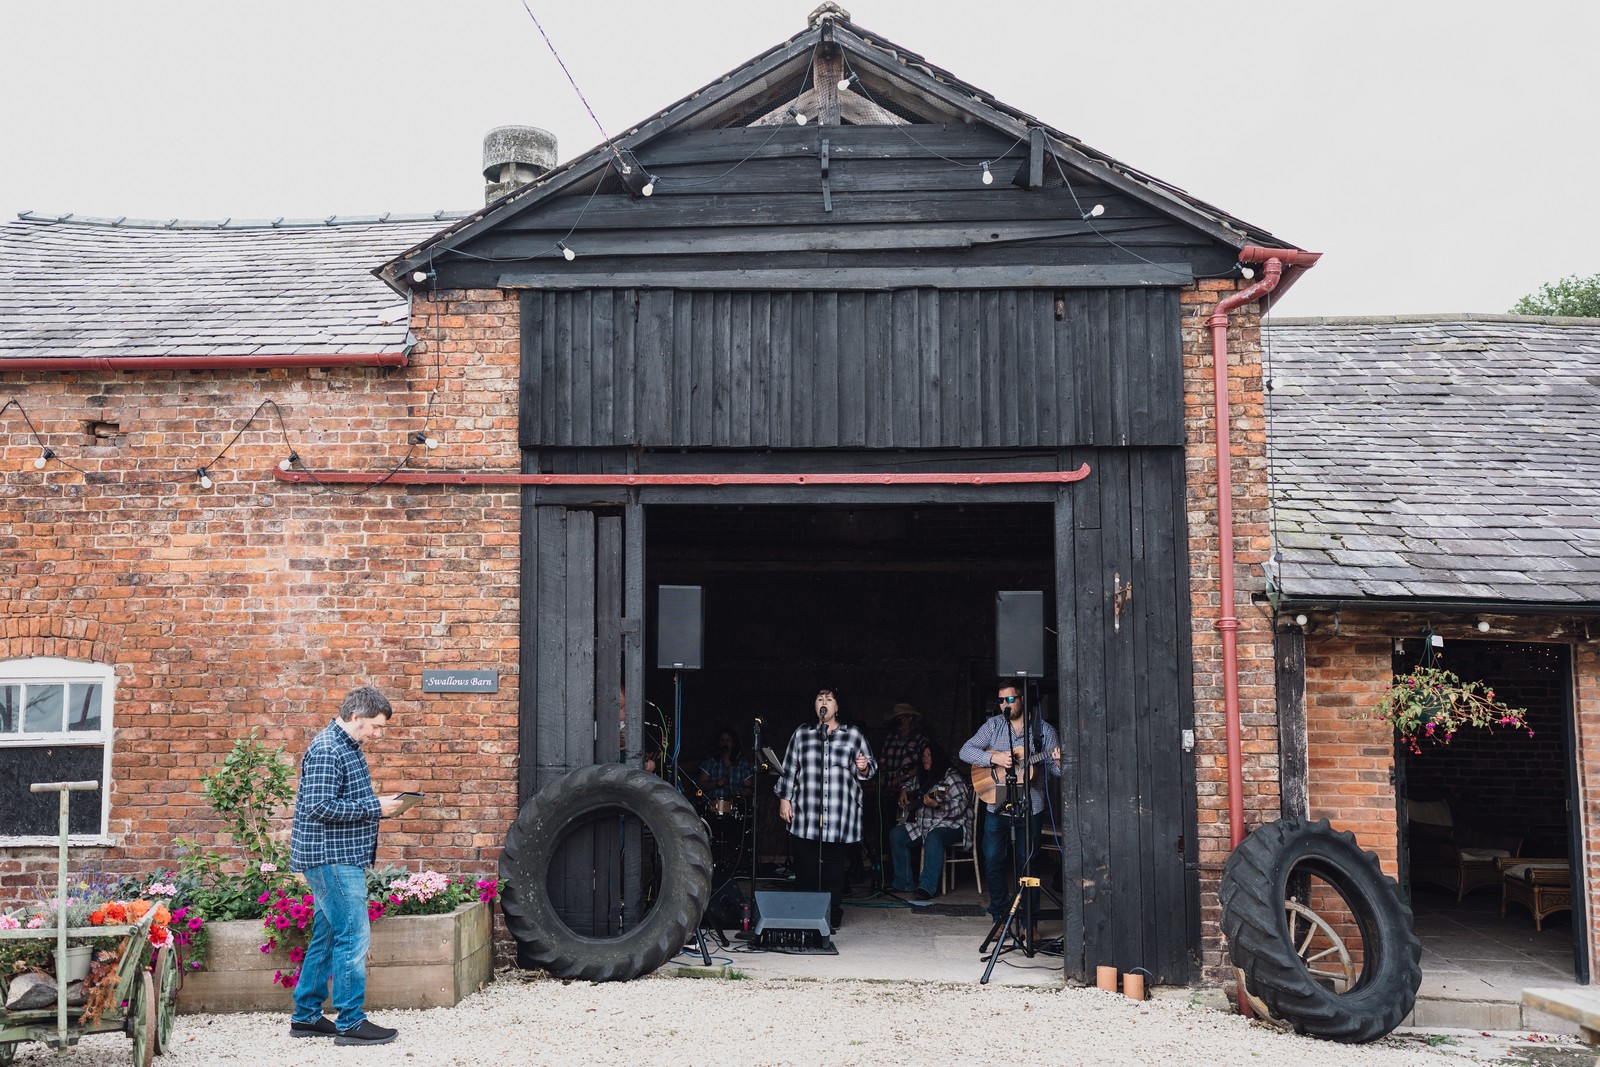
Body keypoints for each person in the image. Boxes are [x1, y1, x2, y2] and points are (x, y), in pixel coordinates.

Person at [288, 685, 408, 1046]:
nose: (377, 734)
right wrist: (376, 808)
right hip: (331, 859)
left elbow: (338, 800)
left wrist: (382, 802)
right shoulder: (328, 749)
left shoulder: (346, 746)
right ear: (356, 717)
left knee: (327, 937)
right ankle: (351, 1022)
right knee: (353, 935)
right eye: (375, 726)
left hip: (337, 856)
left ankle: (306, 1017)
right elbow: (320, 807)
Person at [959, 682, 1062, 926]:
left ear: (1022, 699)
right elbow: (965, 751)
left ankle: (1029, 924)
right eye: (1001, 701)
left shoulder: (1044, 731)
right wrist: (993, 757)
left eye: (1010, 699)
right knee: (993, 860)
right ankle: (999, 918)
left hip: (1031, 805)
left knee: (1028, 864)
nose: (1005, 705)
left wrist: (1059, 761)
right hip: (998, 801)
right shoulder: (993, 726)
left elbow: (1056, 773)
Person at [775, 685, 877, 931]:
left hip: (838, 812)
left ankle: (831, 915)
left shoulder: (852, 734)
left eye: (829, 698)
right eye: (819, 698)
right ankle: (805, 914)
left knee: (833, 867)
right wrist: (784, 799)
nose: (824, 701)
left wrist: (863, 766)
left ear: (837, 706)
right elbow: (789, 769)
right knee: (806, 864)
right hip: (806, 811)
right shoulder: (802, 734)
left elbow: (870, 768)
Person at [888, 741, 973, 901]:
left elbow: (960, 806)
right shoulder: (925, 776)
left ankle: (926, 887)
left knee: (935, 836)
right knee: (896, 835)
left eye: (929, 755)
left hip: (952, 824)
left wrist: (938, 805)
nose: (925, 759)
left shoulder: (950, 778)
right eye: (923, 756)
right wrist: (904, 791)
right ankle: (904, 882)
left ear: (937, 758)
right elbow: (910, 783)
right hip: (926, 824)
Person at [697, 726, 754, 804]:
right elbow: (700, 784)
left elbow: (749, 789)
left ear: (733, 743)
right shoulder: (711, 760)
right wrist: (716, 783)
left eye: (727, 740)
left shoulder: (741, 763)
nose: (725, 743)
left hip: (734, 807)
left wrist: (737, 794)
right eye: (722, 740)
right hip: (712, 804)